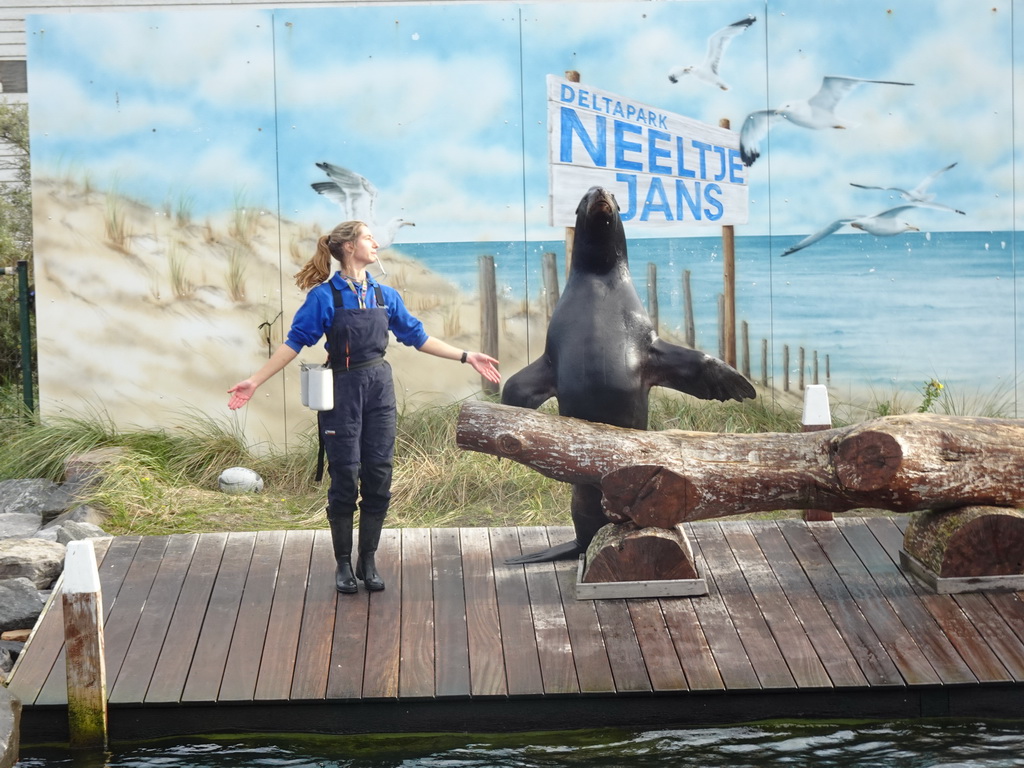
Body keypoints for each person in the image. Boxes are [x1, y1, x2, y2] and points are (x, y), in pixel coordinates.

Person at [228, 221, 500, 594]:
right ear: (348, 246)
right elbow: (295, 343)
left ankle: (367, 559)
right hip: (342, 389)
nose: (375, 243)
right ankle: (343, 563)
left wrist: (467, 356)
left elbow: (417, 337)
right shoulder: (324, 297)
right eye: (369, 237)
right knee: (344, 476)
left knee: (379, 474)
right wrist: (255, 380)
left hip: (379, 389)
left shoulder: (385, 295)